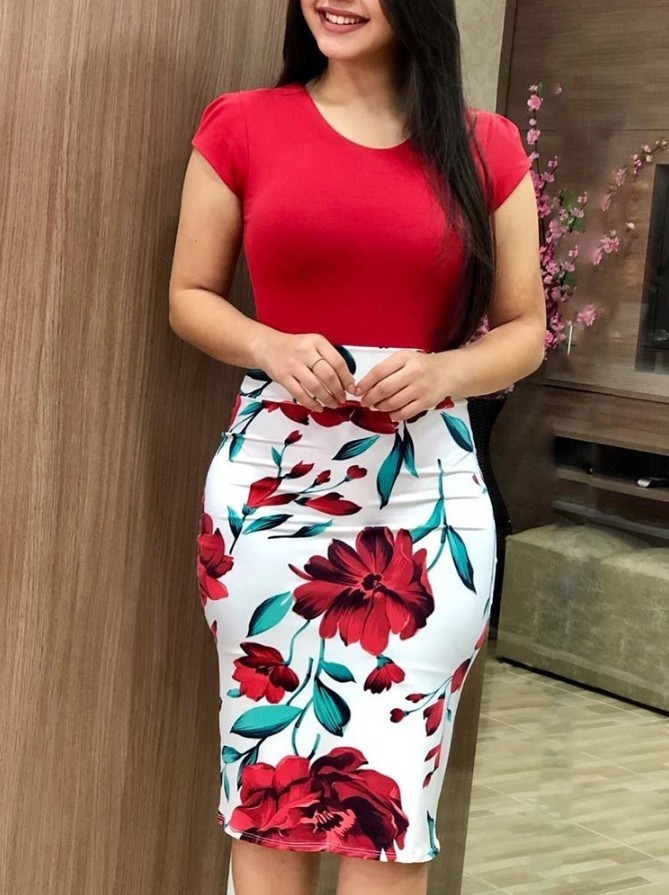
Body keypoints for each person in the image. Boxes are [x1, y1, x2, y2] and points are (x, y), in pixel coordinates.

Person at [169, 1, 544, 893]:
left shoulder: (486, 145)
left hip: (426, 509)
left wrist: (448, 369)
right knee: (267, 794)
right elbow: (189, 294)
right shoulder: (241, 125)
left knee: (390, 812)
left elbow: (525, 329)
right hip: (271, 497)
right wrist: (267, 344)